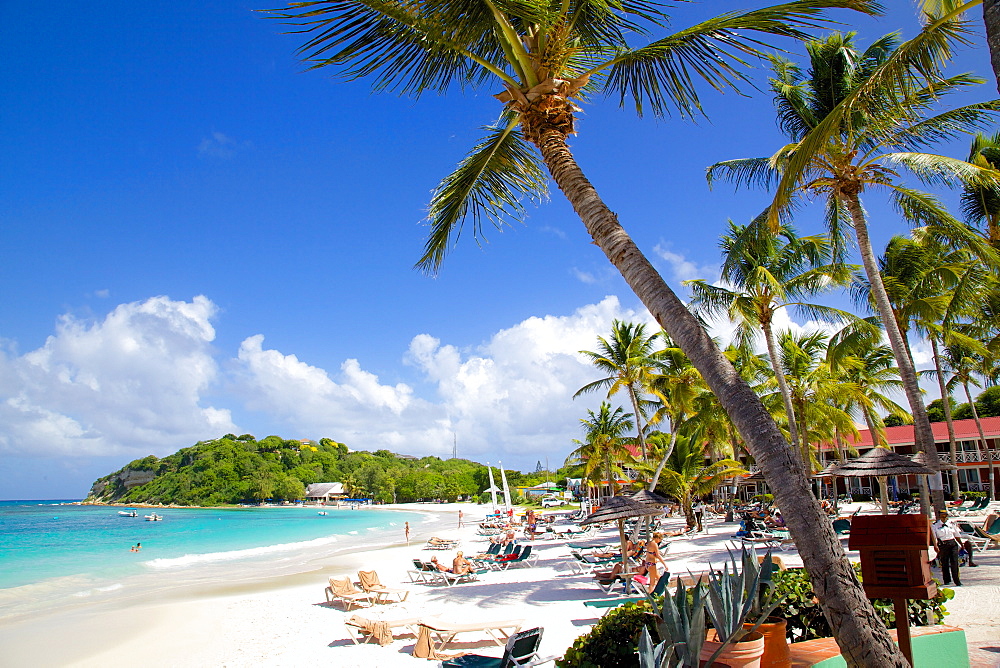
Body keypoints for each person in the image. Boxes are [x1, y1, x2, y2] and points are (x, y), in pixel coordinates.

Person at [932, 510, 964, 586]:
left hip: (953, 543)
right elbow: (934, 537)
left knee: (954, 562)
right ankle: (947, 580)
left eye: (945, 515)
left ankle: (957, 580)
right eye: (942, 515)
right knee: (944, 563)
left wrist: (961, 544)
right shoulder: (935, 526)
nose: (944, 517)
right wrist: (935, 546)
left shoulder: (951, 524)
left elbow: (956, 535)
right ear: (939, 516)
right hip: (943, 544)